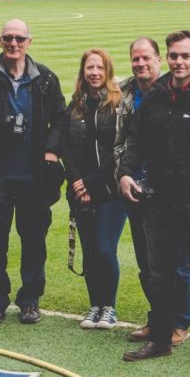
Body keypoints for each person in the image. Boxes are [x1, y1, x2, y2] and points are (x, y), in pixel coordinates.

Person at [118, 30, 190, 369]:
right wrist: (126, 172)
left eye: (185, 56)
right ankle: (160, 339)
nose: (178, 62)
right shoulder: (155, 97)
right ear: (166, 58)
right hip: (158, 201)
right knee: (160, 275)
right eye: (173, 56)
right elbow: (135, 140)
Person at [0, 19, 65, 326]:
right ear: (0, 40)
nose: (14, 43)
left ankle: (30, 300)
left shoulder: (45, 78)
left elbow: (61, 119)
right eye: (8, 37)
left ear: (29, 41)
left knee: (34, 241)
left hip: (34, 177)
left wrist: (51, 150)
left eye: (19, 38)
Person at [120, 37, 190, 348]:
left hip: (168, 193)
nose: (141, 64)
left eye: (146, 58)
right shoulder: (124, 92)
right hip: (135, 189)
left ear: (159, 60)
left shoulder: (173, 93)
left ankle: (180, 320)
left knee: (176, 262)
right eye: (135, 59)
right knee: (147, 262)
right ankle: (159, 318)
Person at [54, 48, 128, 330]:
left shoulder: (118, 103)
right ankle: (94, 305)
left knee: (105, 247)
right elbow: (65, 146)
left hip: (109, 189)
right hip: (80, 189)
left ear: (107, 70)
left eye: (99, 67)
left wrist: (92, 181)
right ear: (83, 71)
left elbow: (118, 148)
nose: (94, 73)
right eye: (89, 68)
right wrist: (76, 181)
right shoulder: (75, 105)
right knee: (90, 250)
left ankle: (109, 307)